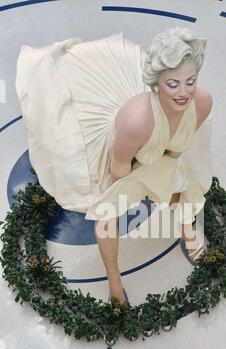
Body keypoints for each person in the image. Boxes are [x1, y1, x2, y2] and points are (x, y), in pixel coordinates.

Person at [15, 27, 213, 305]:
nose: (184, 93)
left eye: (190, 81)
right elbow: (119, 169)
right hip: (118, 159)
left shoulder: (202, 103)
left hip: (160, 152)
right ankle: (114, 279)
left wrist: (163, 175)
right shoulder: (136, 120)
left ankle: (186, 230)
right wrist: (133, 190)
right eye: (173, 84)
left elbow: (175, 150)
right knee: (107, 215)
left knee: (175, 182)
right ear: (157, 83)